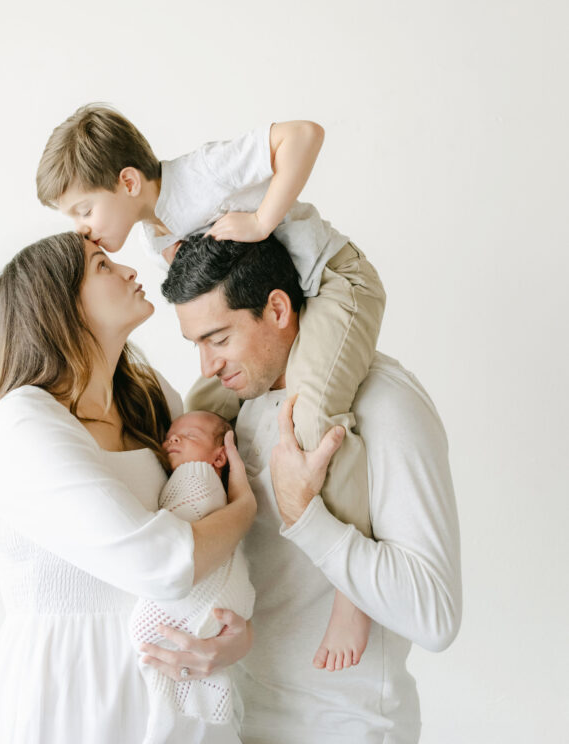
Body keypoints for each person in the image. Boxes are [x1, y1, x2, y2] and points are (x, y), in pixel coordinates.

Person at [37, 103, 386, 668]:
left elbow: (304, 134)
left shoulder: (197, 175)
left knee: (314, 412)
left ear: (128, 182)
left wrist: (262, 219)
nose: (81, 228)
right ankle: (219, 544)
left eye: (83, 209)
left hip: (332, 283)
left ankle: (353, 592)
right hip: (277, 302)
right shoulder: (157, 235)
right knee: (200, 408)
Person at [151, 234, 462, 744]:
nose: (207, 365)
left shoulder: (384, 403)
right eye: (197, 345)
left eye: (220, 339)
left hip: (346, 728)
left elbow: (436, 616)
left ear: (277, 308)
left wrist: (307, 516)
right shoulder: (237, 409)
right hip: (240, 722)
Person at [0, 231, 256, 744]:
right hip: (73, 696)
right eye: (102, 266)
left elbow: (208, 536)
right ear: (58, 307)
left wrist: (235, 635)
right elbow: (164, 562)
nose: (128, 271)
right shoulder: (22, 423)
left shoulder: (151, 397)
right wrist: (245, 509)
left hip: (171, 693)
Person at [131, 412, 255, 744]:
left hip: (190, 596)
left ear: (219, 456)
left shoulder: (197, 479)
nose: (173, 439)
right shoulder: (198, 482)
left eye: (190, 436)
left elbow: (182, 538)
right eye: (170, 435)